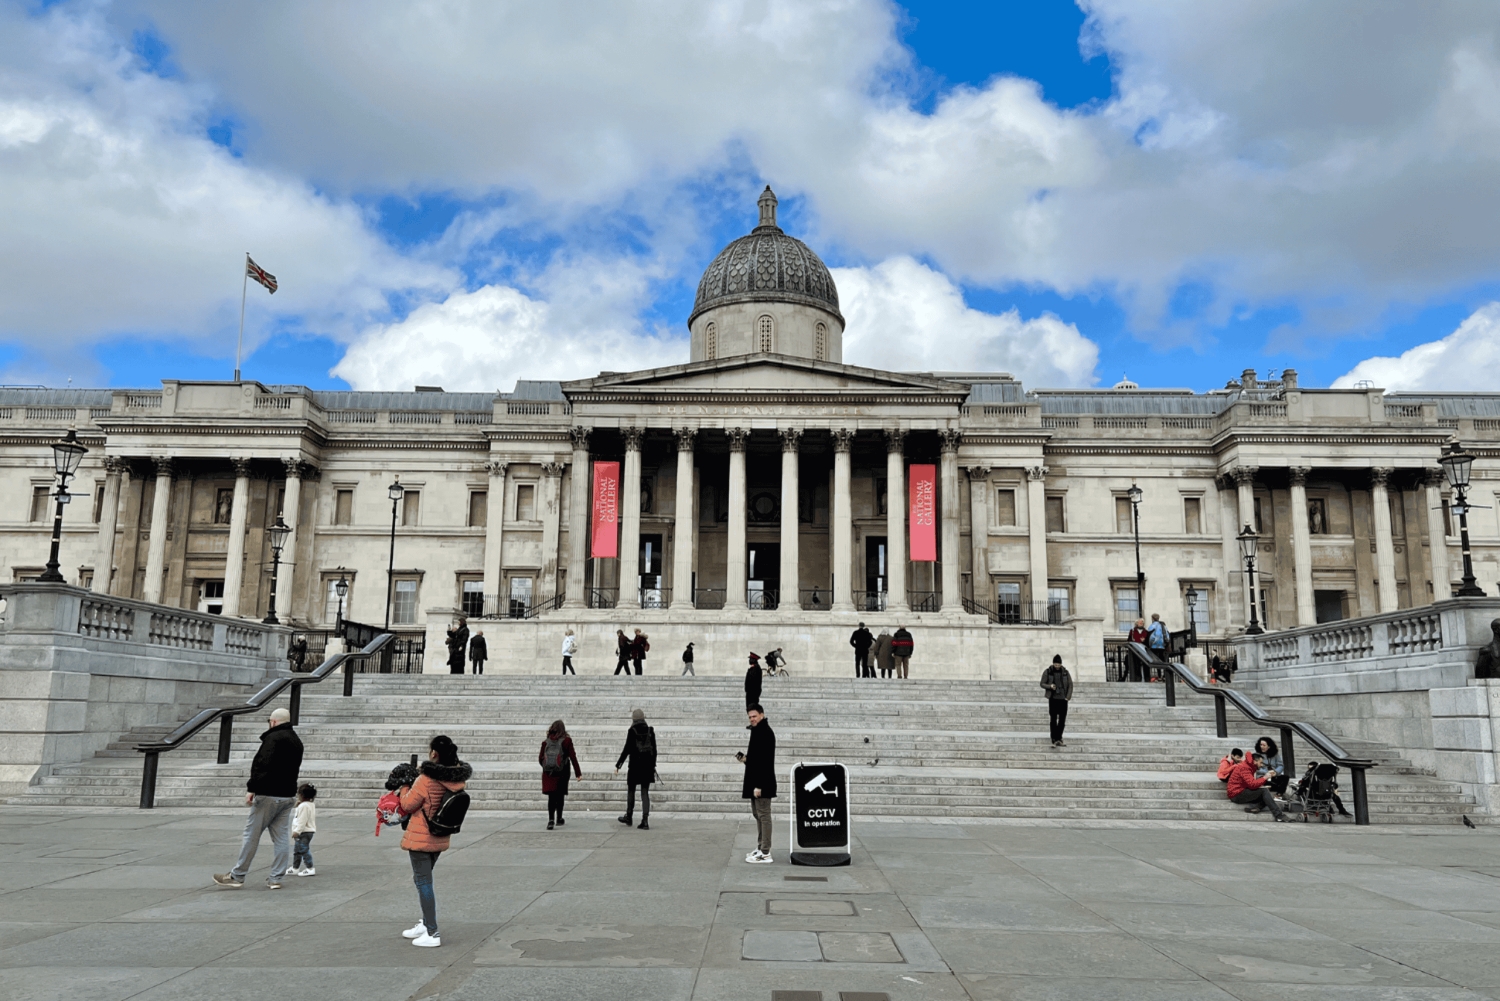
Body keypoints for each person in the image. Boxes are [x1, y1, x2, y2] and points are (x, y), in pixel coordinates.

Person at [214, 706, 304, 889]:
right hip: (287, 795)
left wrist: (252, 788)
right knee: (281, 838)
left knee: (251, 835)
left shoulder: (272, 738)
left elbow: (262, 764)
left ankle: (237, 875)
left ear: (273, 722)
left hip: (268, 794)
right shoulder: (296, 740)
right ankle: (276, 878)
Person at [398, 734, 472, 948]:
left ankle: (432, 932)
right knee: (422, 879)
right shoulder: (455, 779)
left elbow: (407, 805)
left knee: (423, 882)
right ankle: (425, 923)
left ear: (434, 754)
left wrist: (404, 785)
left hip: (421, 836)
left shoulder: (426, 779)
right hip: (439, 834)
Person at [737, 704, 777, 863]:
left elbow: (766, 762)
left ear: (762, 714)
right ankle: (761, 847)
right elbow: (756, 760)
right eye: (750, 717)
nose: (752, 719)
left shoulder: (765, 732)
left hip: (762, 783)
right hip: (756, 781)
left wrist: (760, 785)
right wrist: (745, 759)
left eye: (754, 716)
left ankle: (765, 852)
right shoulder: (757, 731)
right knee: (757, 814)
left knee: (764, 815)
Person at [614, 708, 657, 830]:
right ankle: (645, 820)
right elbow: (654, 750)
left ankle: (629, 816)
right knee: (645, 792)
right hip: (647, 766)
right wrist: (653, 765)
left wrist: (618, 765)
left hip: (635, 766)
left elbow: (627, 749)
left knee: (631, 790)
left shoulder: (632, 731)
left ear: (634, 719)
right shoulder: (650, 731)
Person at [540, 719, 582, 830]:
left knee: (551, 797)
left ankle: (551, 820)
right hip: (562, 772)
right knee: (560, 795)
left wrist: (548, 767)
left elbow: (540, 759)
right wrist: (578, 773)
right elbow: (573, 757)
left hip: (549, 774)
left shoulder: (546, 742)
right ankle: (559, 818)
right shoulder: (567, 741)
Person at [1226, 751, 1287, 821]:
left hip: (1239, 791)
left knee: (1266, 794)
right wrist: (1265, 777)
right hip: (1236, 794)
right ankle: (1279, 815)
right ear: (1255, 761)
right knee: (1264, 791)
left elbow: (1250, 783)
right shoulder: (1245, 767)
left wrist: (1261, 784)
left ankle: (1256, 807)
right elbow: (1252, 784)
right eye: (1261, 763)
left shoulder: (1249, 766)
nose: (1262, 765)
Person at [1040, 654, 1073, 747]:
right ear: (1053, 663)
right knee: (1053, 719)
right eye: (1055, 664)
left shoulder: (1066, 672)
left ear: (1061, 664)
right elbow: (1042, 683)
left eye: (1058, 664)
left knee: (1062, 720)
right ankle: (1054, 738)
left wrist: (1068, 696)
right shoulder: (1048, 671)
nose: (1057, 666)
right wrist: (1050, 686)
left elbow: (1070, 685)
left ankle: (1059, 737)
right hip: (1053, 698)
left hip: (1063, 699)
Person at [291, 783, 317, 876]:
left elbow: (302, 820)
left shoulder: (304, 806)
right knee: (297, 850)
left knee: (303, 850)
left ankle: (310, 868)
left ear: (301, 795)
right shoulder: (310, 804)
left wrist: (297, 831)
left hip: (304, 831)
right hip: (307, 831)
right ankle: (295, 867)